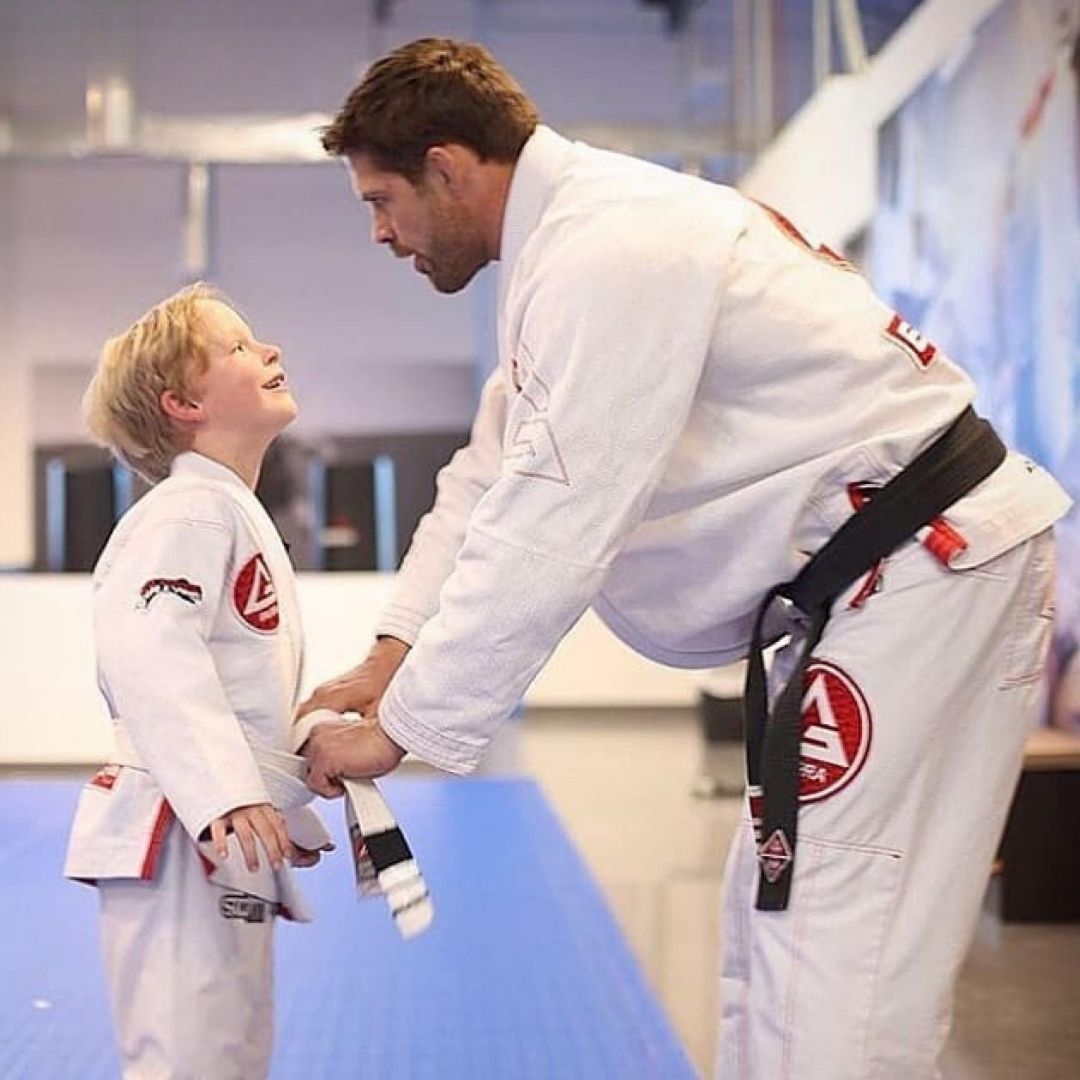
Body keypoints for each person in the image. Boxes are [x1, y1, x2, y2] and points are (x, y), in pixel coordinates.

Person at [299, 37, 1072, 1079]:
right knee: (777, 902)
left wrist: (403, 731)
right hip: (884, 583)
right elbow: (488, 477)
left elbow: (552, 520)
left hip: (921, 570)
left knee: (840, 930)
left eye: (381, 200)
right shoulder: (569, 252)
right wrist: (396, 650)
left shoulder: (610, 246)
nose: (383, 234)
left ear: (448, 165)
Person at [65, 282, 333, 1079]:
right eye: (240, 349)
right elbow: (151, 653)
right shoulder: (187, 512)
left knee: (230, 1050)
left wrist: (285, 782)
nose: (271, 351)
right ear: (182, 402)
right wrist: (227, 790)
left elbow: (235, 686)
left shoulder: (225, 509)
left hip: (215, 824)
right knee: (188, 1056)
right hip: (184, 822)